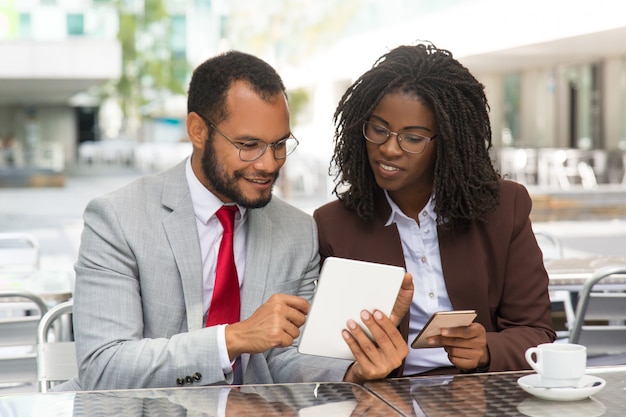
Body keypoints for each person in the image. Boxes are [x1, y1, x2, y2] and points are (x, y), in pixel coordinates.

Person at [62, 50, 411, 391]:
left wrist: (353, 372)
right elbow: (103, 369)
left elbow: (285, 357)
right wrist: (234, 338)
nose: (269, 164)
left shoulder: (297, 230)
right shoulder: (118, 219)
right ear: (198, 131)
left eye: (279, 145)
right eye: (249, 144)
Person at [314, 43, 556, 376]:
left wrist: (487, 349)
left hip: (483, 395)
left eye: (412, 138)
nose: (388, 149)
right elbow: (322, 354)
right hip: (386, 399)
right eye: (379, 129)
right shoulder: (333, 225)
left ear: (449, 142)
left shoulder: (504, 207)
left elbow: (537, 334)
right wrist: (355, 370)